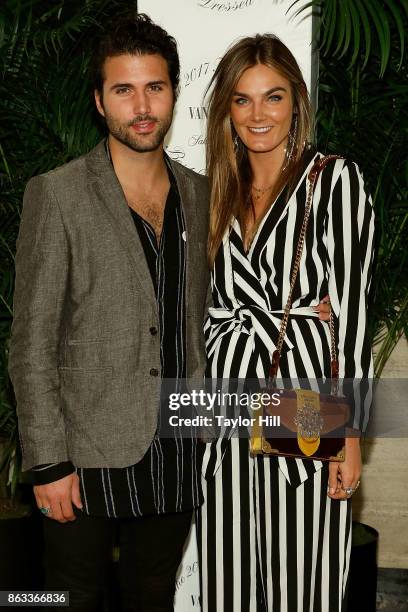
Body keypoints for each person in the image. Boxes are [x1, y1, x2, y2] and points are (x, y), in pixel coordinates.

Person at [8, 14, 210, 612]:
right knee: (68, 597)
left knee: (152, 594)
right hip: (84, 445)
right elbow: (31, 341)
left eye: (155, 87)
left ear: (174, 91)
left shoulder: (201, 193)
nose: (142, 106)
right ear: (100, 101)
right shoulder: (58, 193)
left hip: (179, 440)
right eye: (124, 90)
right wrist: (47, 462)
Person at [197, 34, 374, 611]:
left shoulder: (333, 180)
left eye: (272, 97)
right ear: (226, 108)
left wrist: (349, 437)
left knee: (303, 578)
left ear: (296, 101)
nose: (258, 115)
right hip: (225, 402)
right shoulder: (217, 191)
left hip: (302, 396)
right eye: (242, 100)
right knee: (227, 577)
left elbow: (350, 316)